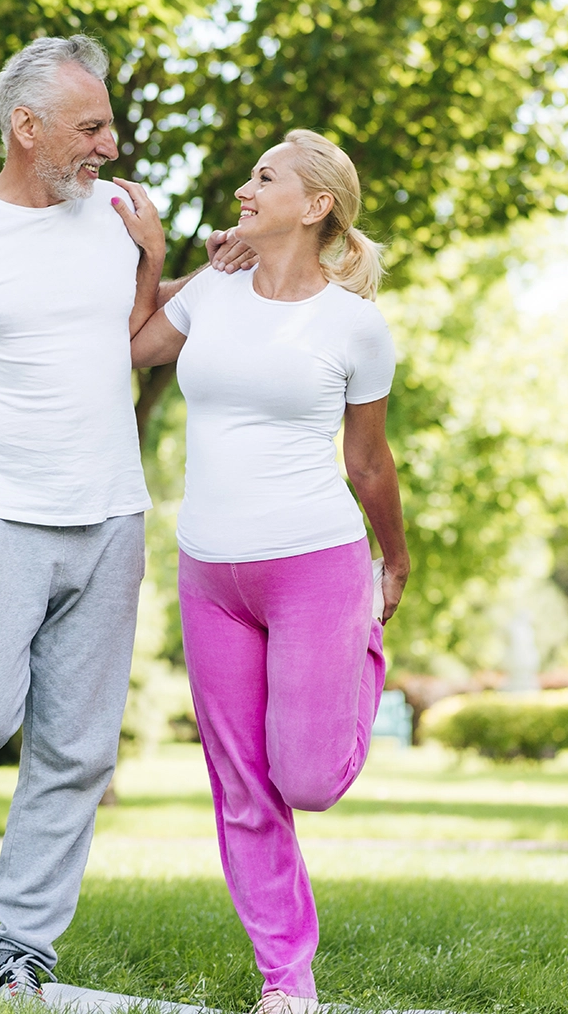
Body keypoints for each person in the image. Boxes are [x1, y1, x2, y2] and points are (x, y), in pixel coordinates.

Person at [0, 35, 251, 1002]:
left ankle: (22, 949)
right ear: (26, 126)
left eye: (111, 125)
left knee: (78, 750)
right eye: (92, 127)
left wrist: (174, 264)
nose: (111, 146)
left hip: (109, 514)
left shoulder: (115, 219)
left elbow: (130, 342)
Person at [126, 129, 412, 1014]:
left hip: (315, 566)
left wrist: (392, 559)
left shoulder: (355, 325)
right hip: (210, 571)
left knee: (309, 781)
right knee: (244, 789)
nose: (244, 190)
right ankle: (287, 982)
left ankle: (360, 658)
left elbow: (370, 462)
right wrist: (161, 262)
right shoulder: (213, 291)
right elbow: (133, 346)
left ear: (316, 204)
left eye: (263, 178)